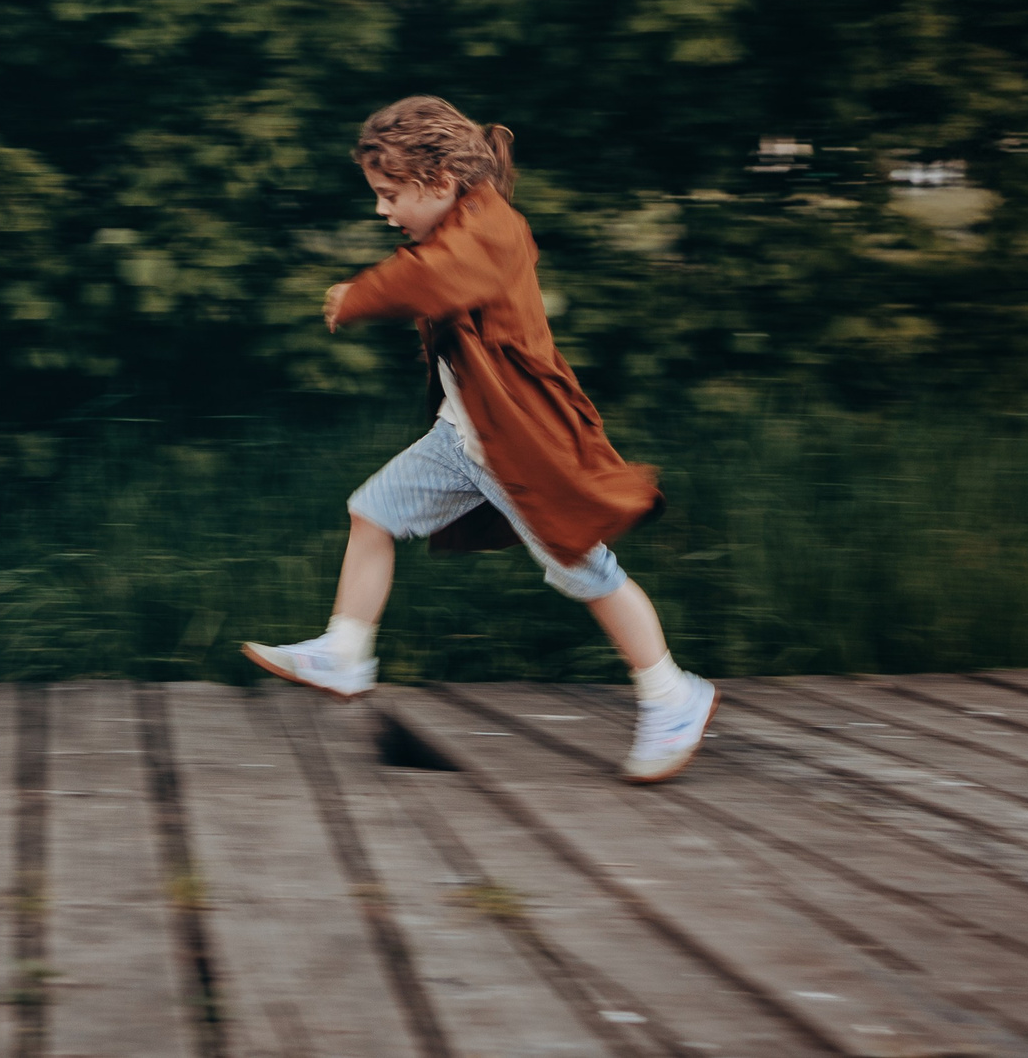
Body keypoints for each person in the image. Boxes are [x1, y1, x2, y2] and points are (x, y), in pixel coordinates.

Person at [244, 96, 718, 783]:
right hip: (467, 438)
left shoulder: (493, 228)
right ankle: (345, 650)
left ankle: (672, 692)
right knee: (372, 511)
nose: (383, 211)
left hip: (522, 445)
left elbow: (432, 279)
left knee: (585, 570)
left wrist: (356, 296)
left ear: (439, 182)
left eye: (389, 194)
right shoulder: (460, 222)